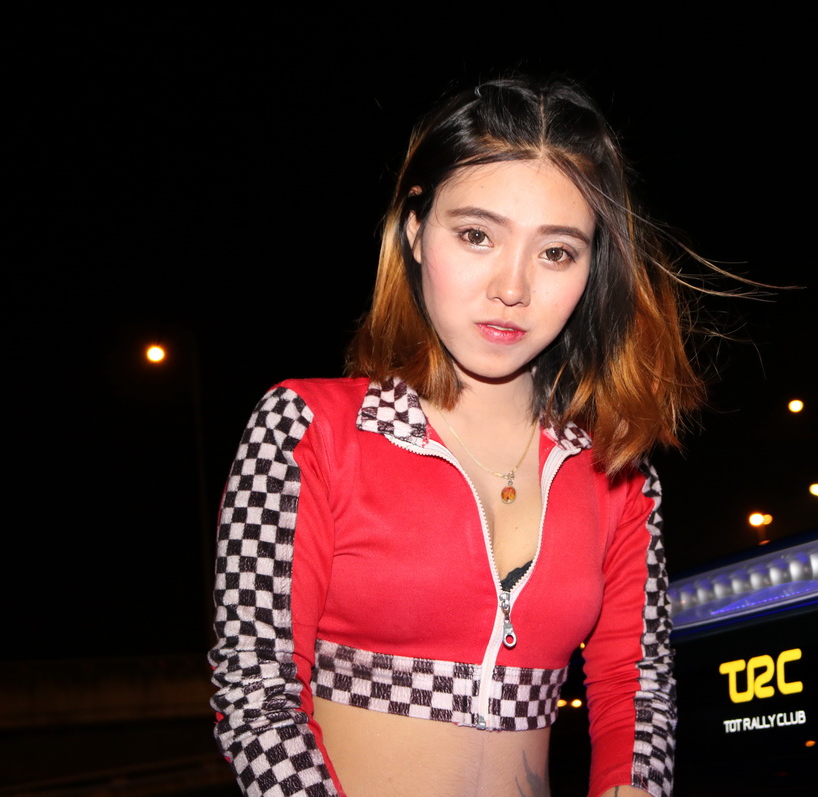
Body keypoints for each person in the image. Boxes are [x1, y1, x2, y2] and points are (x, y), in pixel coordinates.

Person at [209, 76, 720, 797]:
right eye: (477, 235)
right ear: (416, 230)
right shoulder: (306, 429)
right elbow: (255, 693)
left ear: (591, 268)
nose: (512, 288)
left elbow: (637, 687)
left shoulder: (620, 473)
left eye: (556, 252)